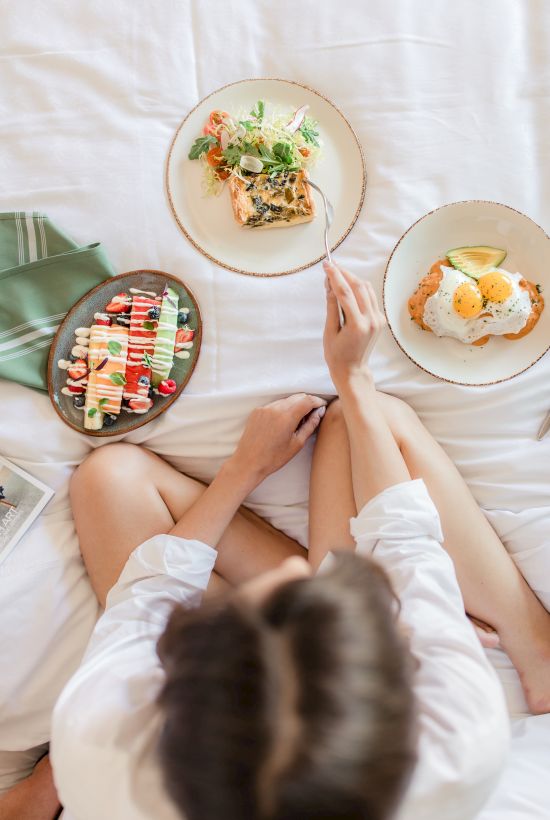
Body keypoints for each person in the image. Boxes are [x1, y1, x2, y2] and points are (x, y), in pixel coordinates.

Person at [52, 261, 548, 819]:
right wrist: (354, 380)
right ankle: (535, 636)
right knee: (367, 422)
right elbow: (406, 539)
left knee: (108, 478)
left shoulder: (99, 742)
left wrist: (244, 470)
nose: (298, 571)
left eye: (273, 594)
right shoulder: (459, 747)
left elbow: (150, 592)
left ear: (175, 668)